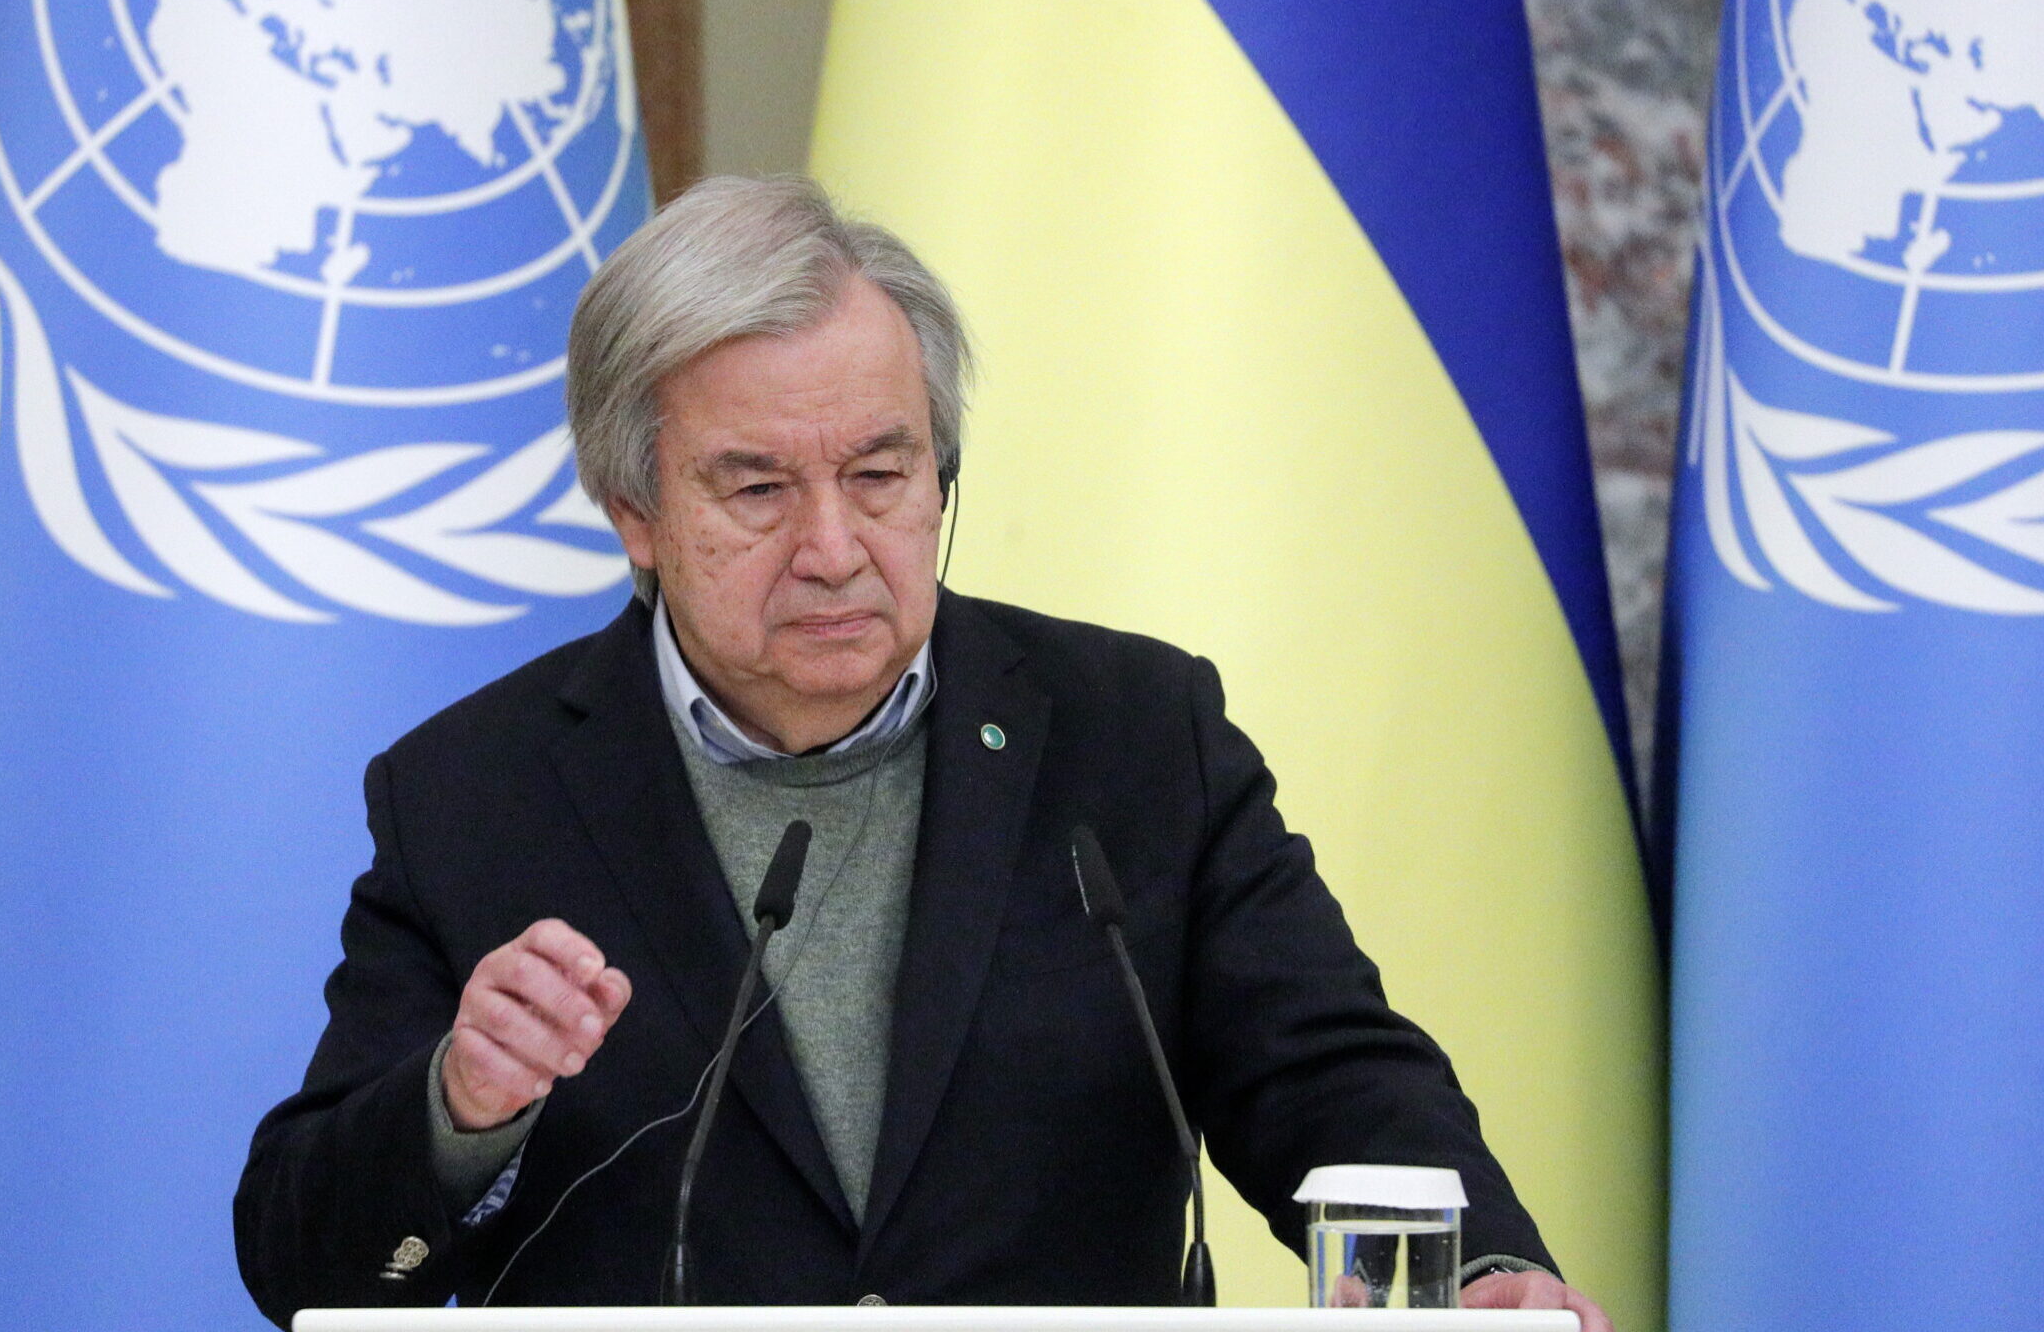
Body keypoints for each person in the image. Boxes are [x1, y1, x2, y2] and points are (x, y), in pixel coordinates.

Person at [233, 176, 1614, 1330]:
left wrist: (1479, 1274)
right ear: (632, 511)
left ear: (941, 473)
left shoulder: (1134, 736)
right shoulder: (476, 792)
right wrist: (460, 1106)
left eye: (881, 476)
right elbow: (303, 1266)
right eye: (758, 488)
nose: (834, 548)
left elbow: (1326, 1075)